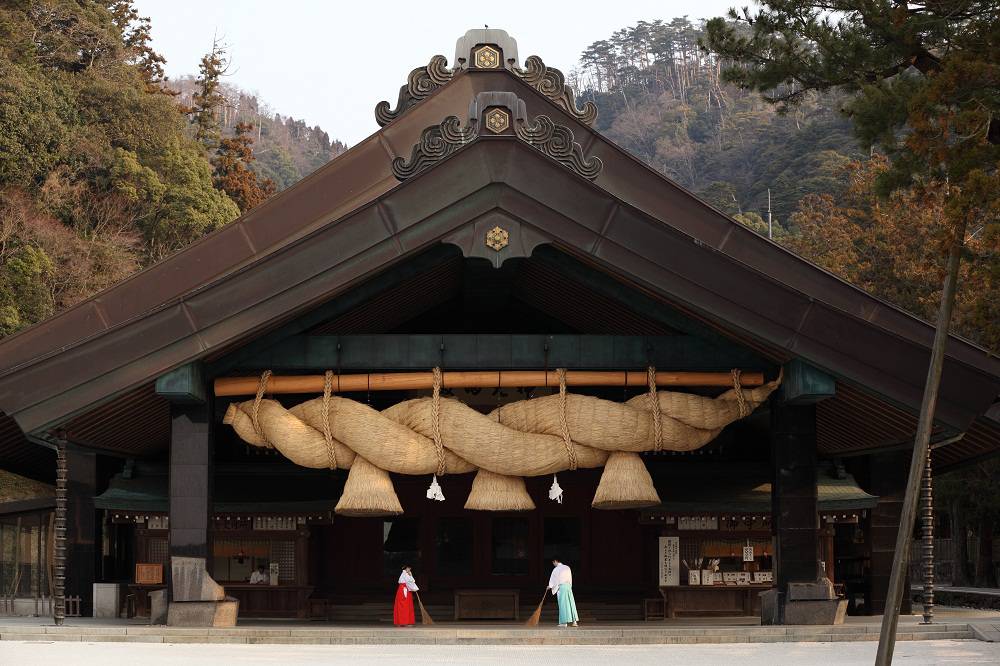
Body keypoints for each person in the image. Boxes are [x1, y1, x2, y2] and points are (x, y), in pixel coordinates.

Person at [548, 558, 579, 627]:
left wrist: (550, 586)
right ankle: (574, 622)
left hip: (562, 588)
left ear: (555, 561)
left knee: (563, 605)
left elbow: (554, 579)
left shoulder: (556, 569)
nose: (553, 564)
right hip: (568, 587)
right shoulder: (567, 567)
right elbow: (570, 578)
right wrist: (569, 586)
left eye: (553, 562)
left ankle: (564, 622)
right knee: (571, 603)